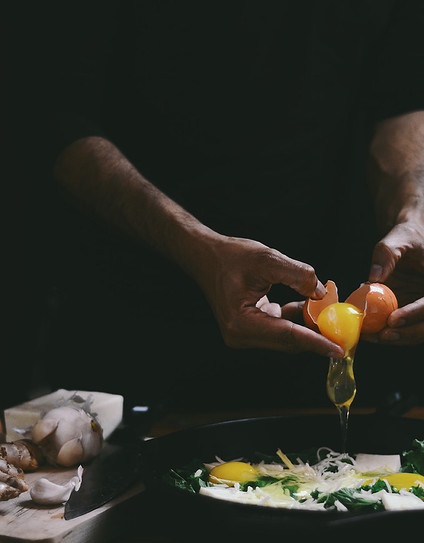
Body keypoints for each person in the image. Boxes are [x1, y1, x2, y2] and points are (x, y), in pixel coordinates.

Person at [17, 1, 424, 413]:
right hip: (138, 336)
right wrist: (199, 247)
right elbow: (53, 116)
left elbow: (404, 99)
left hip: (338, 343)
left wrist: (413, 212)